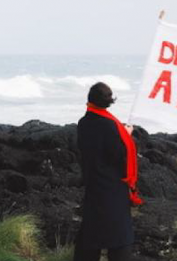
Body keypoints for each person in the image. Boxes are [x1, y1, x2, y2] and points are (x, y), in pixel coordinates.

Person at [74, 82, 142, 261]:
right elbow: (119, 155)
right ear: (109, 102)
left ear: (89, 100)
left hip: (93, 183)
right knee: (120, 236)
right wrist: (126, 135)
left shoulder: (83, 123)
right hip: (112, 186)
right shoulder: (110, 126)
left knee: (91, 233)